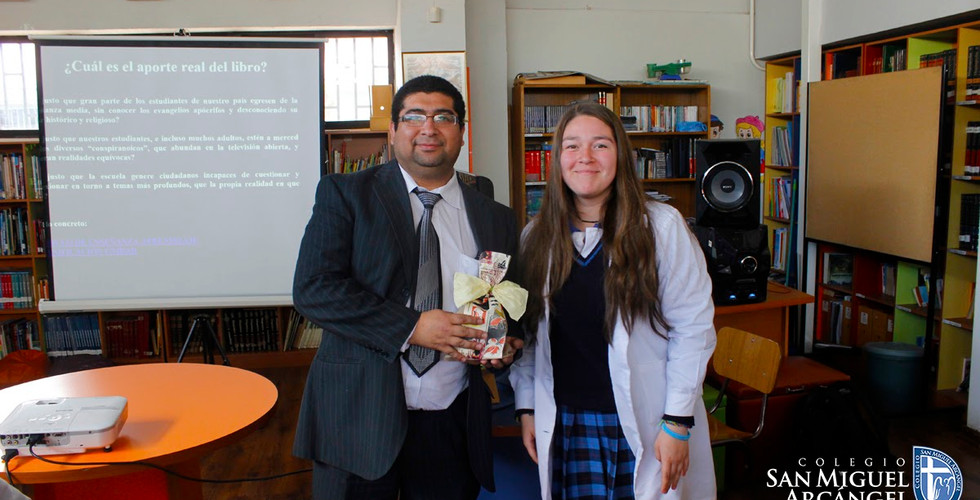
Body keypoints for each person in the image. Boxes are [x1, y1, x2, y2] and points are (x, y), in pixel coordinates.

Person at [292, 75, 523, 500]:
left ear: (461, 131)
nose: (428, 128)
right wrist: (412, 327)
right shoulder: (346, 194)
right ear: (393, 130)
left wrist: (504, 345)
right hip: (359, 416)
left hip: (451, 422)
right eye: (414, 116)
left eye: (443, 117)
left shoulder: (496, 217)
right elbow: (314, 288)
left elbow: (506, 303)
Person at [509, 101, 717, 499]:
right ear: (557, 159)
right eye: (572, 145)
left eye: (600, 145)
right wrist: (527, 407)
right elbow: (531, 337)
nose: (585, 157)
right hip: (568, 421)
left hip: (646, 420)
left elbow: (693, 328)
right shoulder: (536, 237)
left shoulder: (661, 227)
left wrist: (677, 422)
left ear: (621, 155)